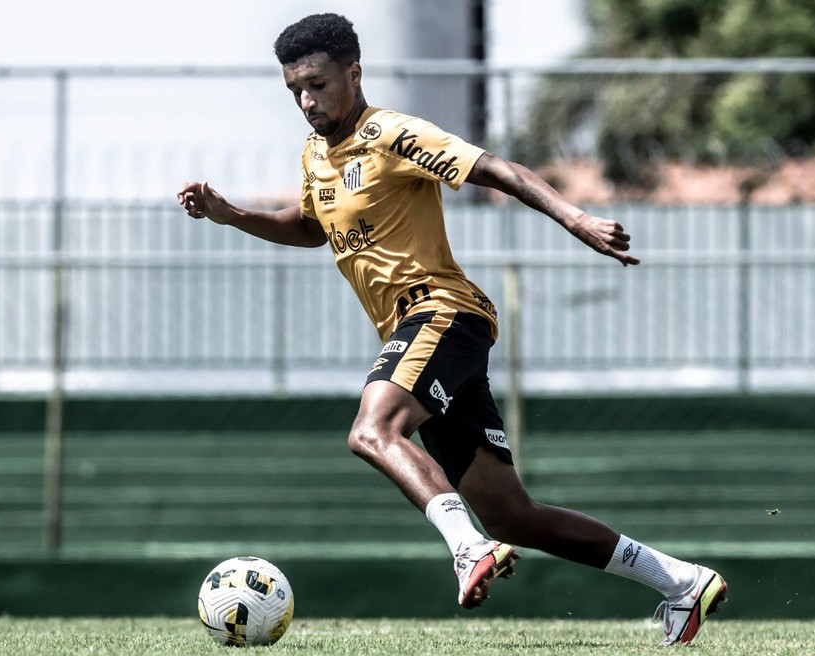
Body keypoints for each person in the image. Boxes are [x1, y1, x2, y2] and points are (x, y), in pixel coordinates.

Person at [178, 12, 727, 646]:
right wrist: (230, 215)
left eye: (319, 84)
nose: (307, 100)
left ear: (354, 74)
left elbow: (496, 168)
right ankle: (681, 582)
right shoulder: (315, 155)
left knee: (372, 428)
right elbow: (309, 227)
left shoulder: (391, 133)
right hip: (423, 331)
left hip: (440, 312)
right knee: (511, 513)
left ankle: (468, 550)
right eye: (295, 89)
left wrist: (574, 217)